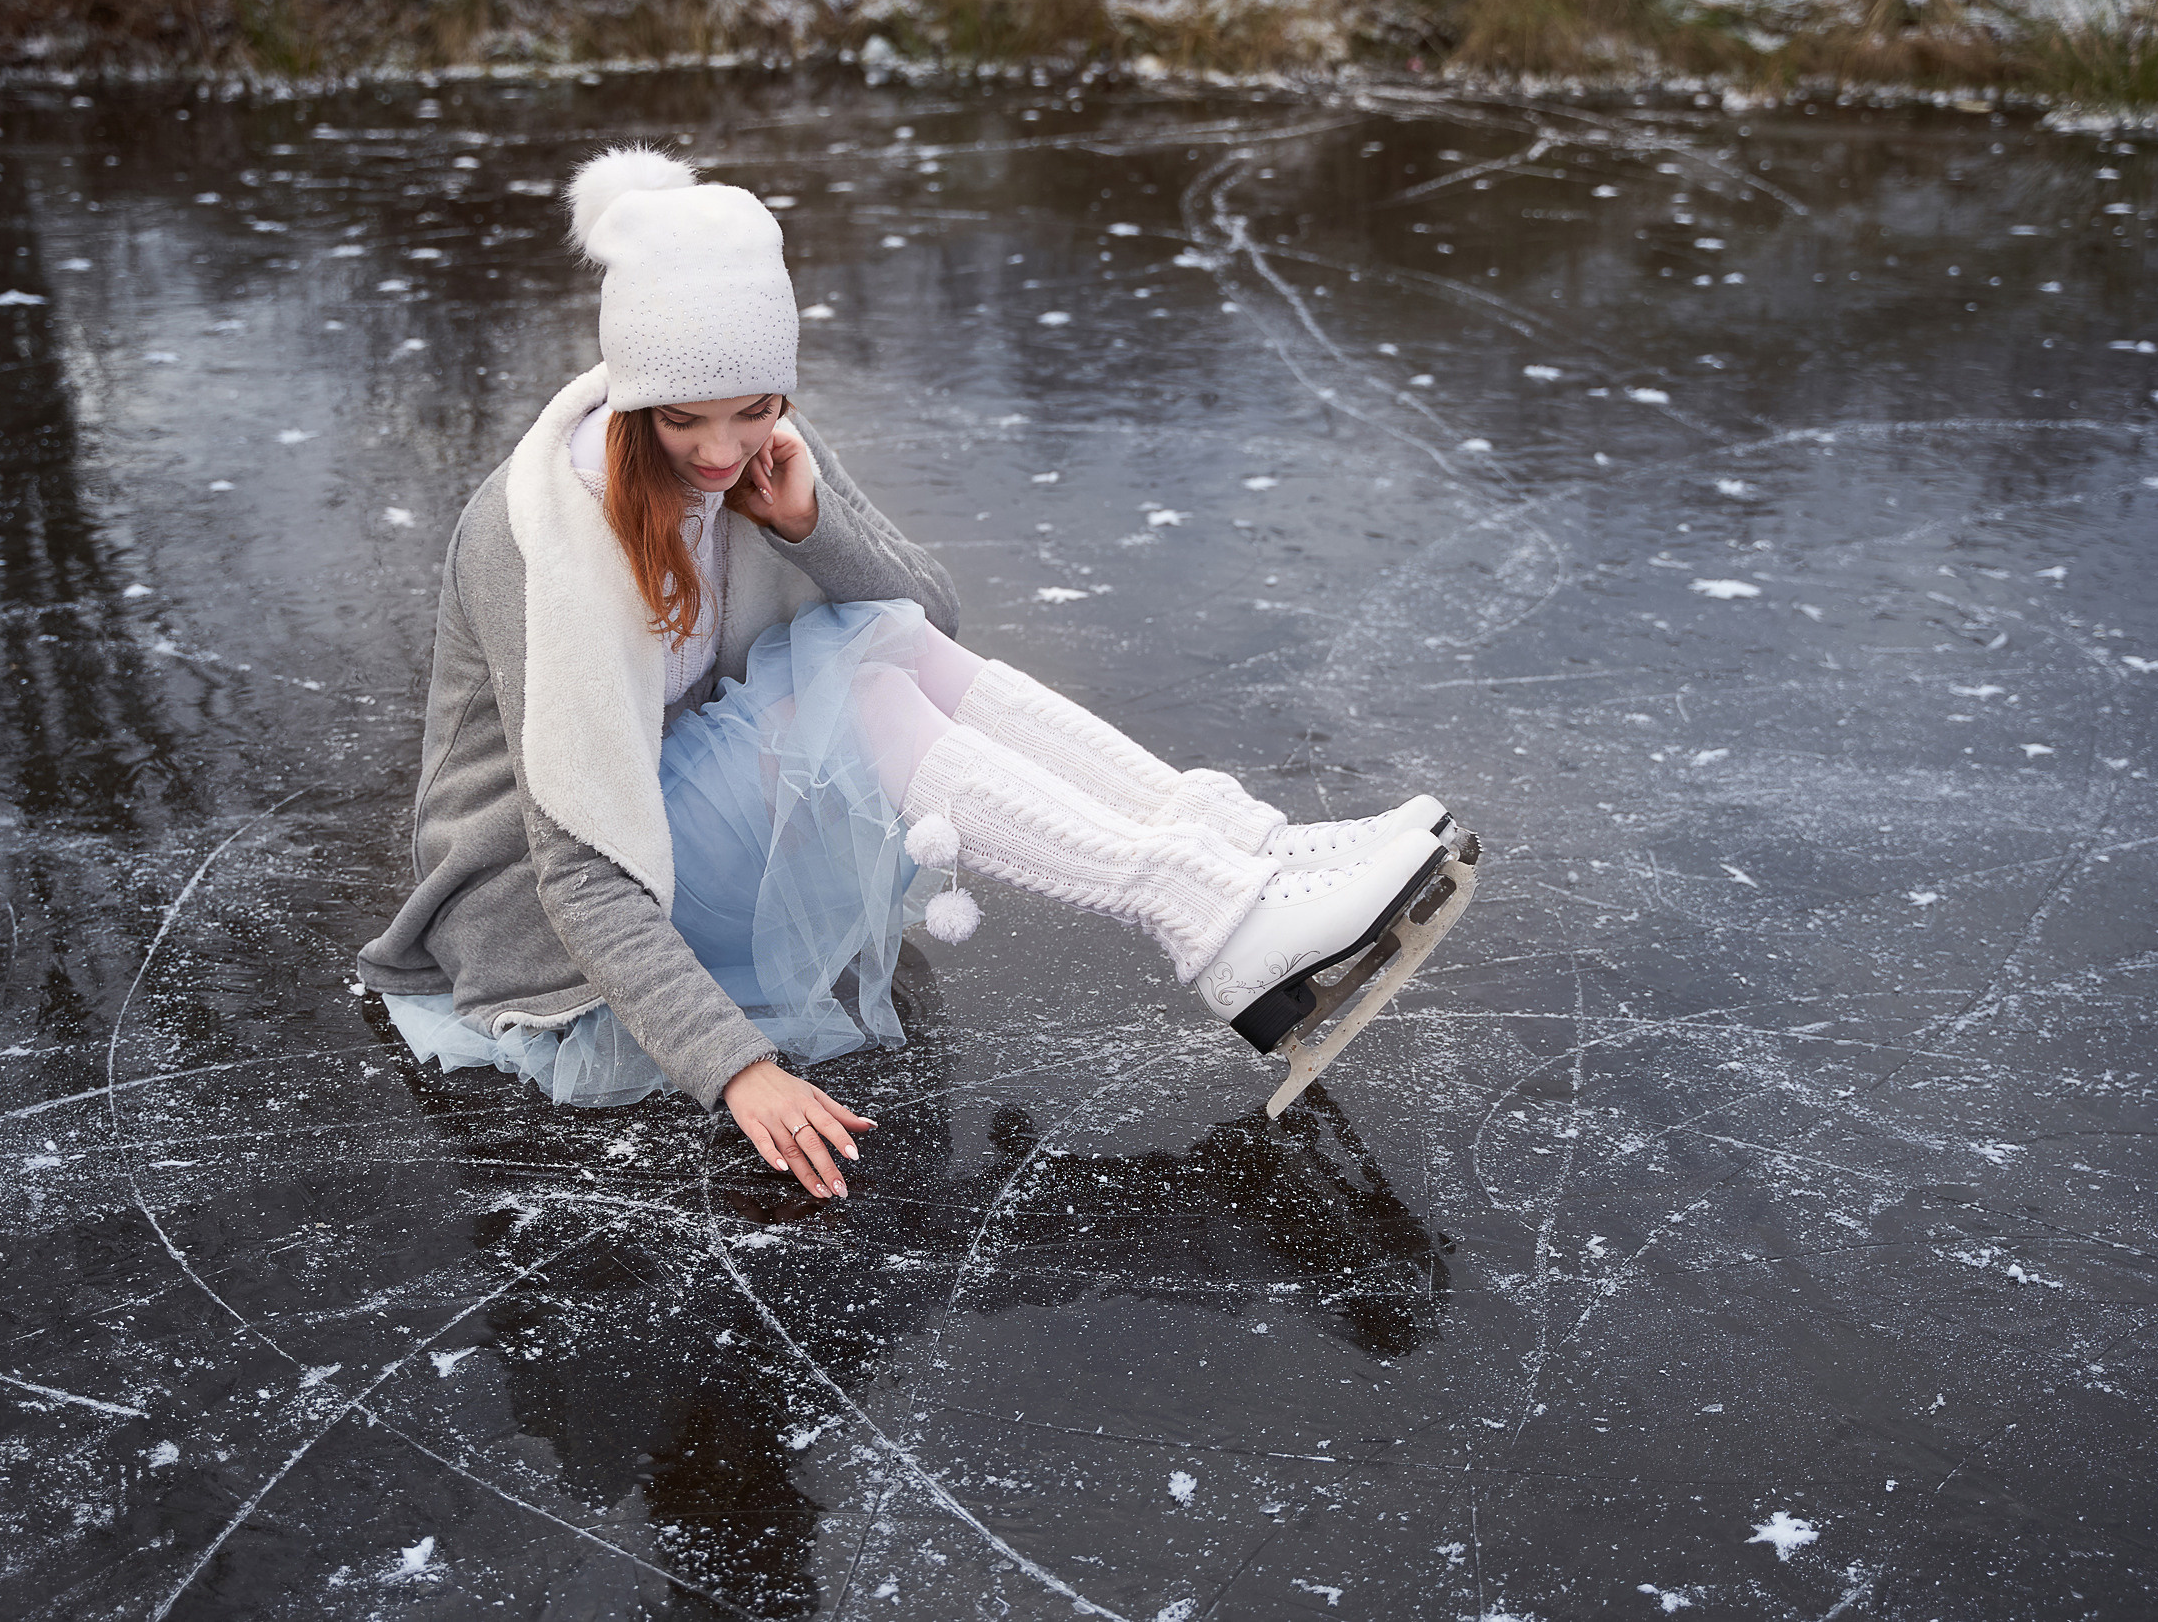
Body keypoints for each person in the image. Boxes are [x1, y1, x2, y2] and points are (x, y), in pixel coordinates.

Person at [359, 147, 1461, 1201]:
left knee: (870, 655)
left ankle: (1239, 856)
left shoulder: (756, 445)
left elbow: (920, 620)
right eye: (685, 422)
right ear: (631, 394)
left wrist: (807, 524)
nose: (720, 452)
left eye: (754, 411)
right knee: (858, 695)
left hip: (674, 815)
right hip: (551, 912)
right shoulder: (537, 537)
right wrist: (734, 1066)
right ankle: (1208, 918)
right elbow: (577, 864)